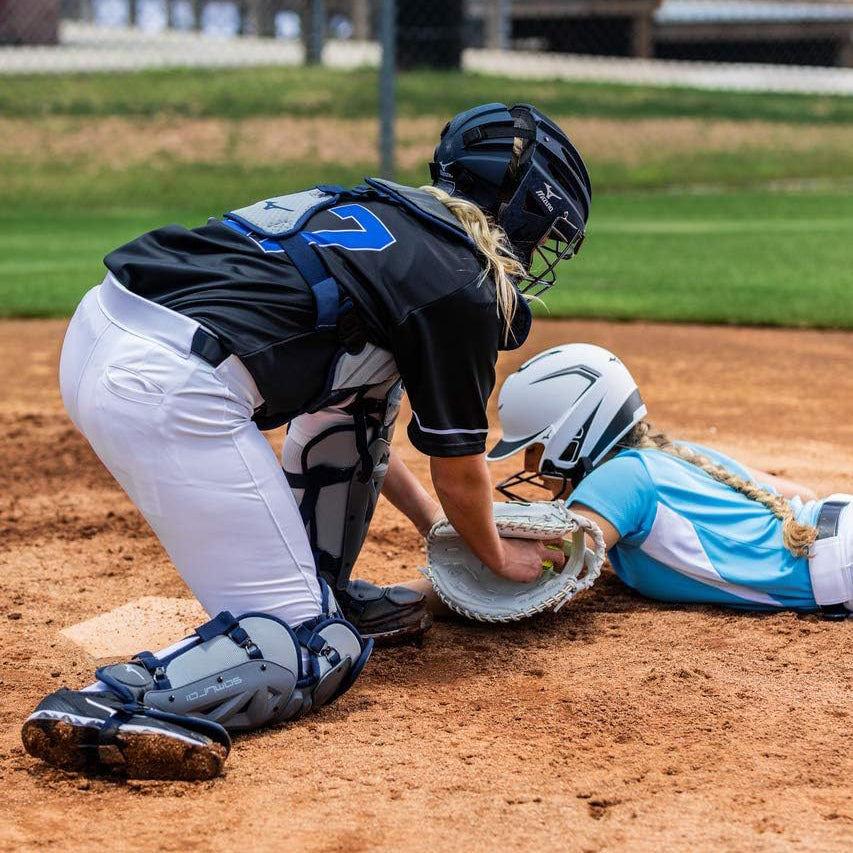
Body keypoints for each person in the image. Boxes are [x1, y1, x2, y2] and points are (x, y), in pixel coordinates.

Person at [22, 103, 591, 779]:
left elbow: (355, 417)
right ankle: (109, 703)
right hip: (168, 389)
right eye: (548, 229)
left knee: (364, 402)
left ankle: (319, 584)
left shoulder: (386, 212)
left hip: (105, 333)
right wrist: (492, 554)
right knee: (313, 649)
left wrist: (439, 528)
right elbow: (458, 468)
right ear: (526, 209)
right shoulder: (460, 281)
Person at [409, 343, 852, 619]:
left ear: (574, 434)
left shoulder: (618, 480)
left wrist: (390, 599)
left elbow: (514, 575)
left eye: (537, 445)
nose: (529, 462)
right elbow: (802, 496)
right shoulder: (675, 455)